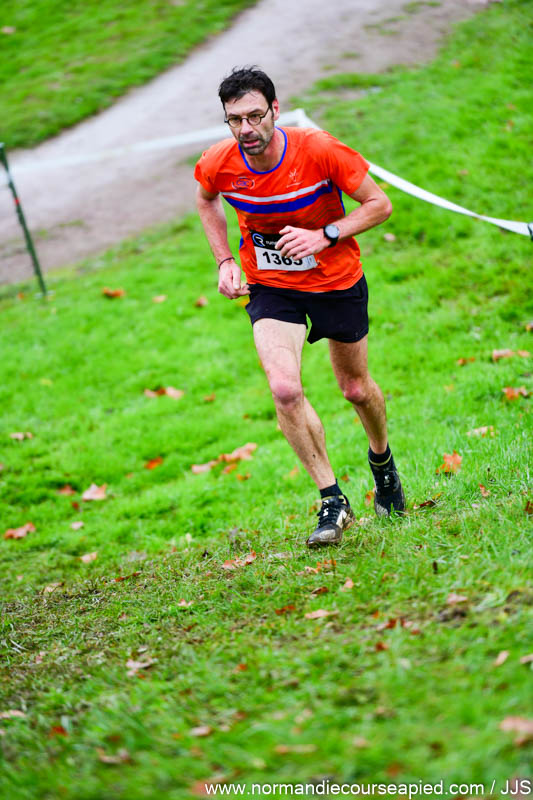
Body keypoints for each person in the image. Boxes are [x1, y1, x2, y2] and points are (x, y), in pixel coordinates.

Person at [194, 66, 405, 547]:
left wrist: (325, 234)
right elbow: (207, 200)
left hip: (335, 279)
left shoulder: (318, 149)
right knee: (285, 389)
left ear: (275, 109)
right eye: (235, 120)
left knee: (355, 389)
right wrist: (225, 260)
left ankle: (382, 461)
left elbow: (379, 205)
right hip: (271, 286)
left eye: (255, 116)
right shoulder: (219, 161)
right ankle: (333, 499)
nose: (246, 129)